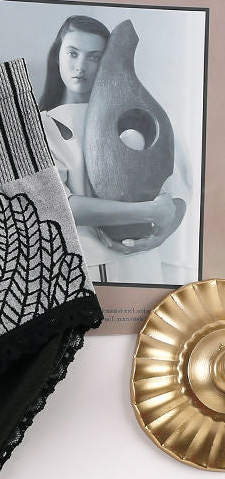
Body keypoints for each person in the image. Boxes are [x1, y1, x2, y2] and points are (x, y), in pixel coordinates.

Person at [39, 15, 186, 283]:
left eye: (94, 57)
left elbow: (175, 195)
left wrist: (159, 236)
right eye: (72, 53)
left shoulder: (136, 116)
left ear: (108, 61)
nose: (80, 66)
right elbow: (59, 206)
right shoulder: (42, 126)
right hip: (86, 267)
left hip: (143, 259)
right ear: (57, 55)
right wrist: (148, 212)